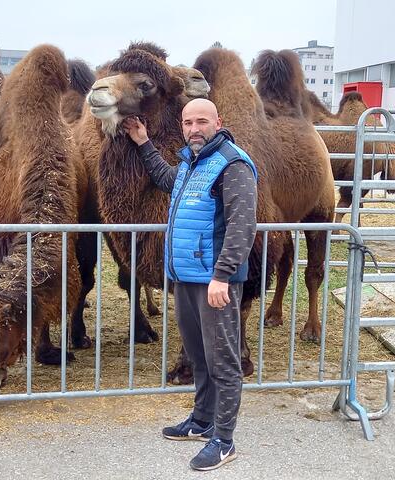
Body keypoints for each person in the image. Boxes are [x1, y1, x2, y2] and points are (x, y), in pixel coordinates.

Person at [123, 98, 257, 471]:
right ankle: (201, 420)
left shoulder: (233, 164)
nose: (194, 128)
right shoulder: (191, 163)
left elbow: (242, 226)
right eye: (188, 122)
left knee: (224, 362)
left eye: (201, 121)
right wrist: (143, 142)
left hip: (215, 283)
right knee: (198, 356)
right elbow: (168, 181)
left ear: (218, 122)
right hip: (186, 278)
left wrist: (223, 276)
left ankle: (224, 440)